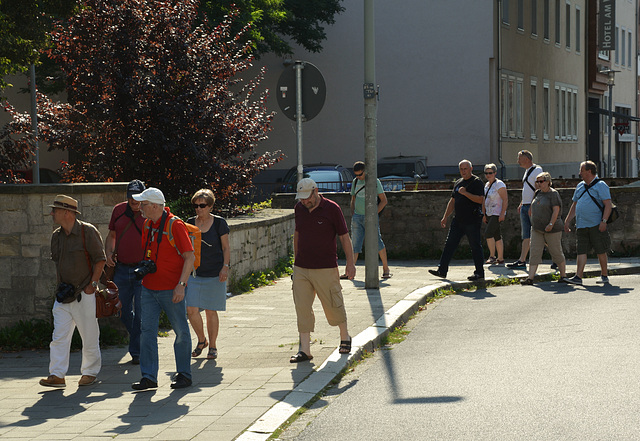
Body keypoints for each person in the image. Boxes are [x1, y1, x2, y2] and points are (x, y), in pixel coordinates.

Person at [130, 187, 195, 390]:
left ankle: (184, 374)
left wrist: (181, 286)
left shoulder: (175, 225)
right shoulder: (148, 224)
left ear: (155, 206)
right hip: (149, 288)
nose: (140, 207)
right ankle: (149, 377)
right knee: (147, 332)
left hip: (171, 289)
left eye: (144, 204)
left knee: (181, 331)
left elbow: (190, 257)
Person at [40, 195, 106, 388]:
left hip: (84, 294)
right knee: (58, 336)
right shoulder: (56, 236)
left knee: (89, 335)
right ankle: (57, 375)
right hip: (63, 295)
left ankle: (90, 372)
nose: (52, 213)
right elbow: (58, 264)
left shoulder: (88, 231)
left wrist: (91, 286)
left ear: (67, 213)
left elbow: (100, 260)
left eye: (55, 210)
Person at [290, 178, 356, 363]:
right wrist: (296, 261)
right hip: (302, 267)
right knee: (302, 307)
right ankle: (305, 350)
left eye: (307, 197)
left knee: (333, 304)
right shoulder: (299, 209)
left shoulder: (332, 208)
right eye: (301, 198)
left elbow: (344, 237)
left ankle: (345, 337)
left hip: (326, 267)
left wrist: (350, 264)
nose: (304, 201)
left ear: (316, 191)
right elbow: (297, 234)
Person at [104, 179, 146, 365]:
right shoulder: (118, 211)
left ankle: (136, 351)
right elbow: (112, 235)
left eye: (137, 198)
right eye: (131, 198)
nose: (134, 202)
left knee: (141, 311)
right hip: (122, 268)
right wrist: (108, 253)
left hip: (143, 270)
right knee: (121, 309)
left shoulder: (149, 211)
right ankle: (138, 342)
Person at [186, 189, 230, 360]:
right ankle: (201, 340)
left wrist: (225, 267)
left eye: (202, 205)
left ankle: (212, 346)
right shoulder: (189, 223)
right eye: (196, 205)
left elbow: (226, 247)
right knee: (191, 310)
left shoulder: (219, 223)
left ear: (210, 206)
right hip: (194, 273)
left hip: (214, 273)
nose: (198, 209)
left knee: (211, 311)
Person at [429, 160, 485, 281]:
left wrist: (465, 193)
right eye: (461, 169)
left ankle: (479, 273)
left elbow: (481, 200)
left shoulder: (477, 182)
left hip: (472, 220)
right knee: (449, 244)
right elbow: (452, 201)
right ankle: (442, 270)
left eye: (465, 169)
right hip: (458, 220)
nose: (463, 171)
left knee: (475, 246)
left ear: (471, 168)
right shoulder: (458, 182)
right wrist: (445, 217)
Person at [563, 161, 613, 285]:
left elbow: (608, 205)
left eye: (582, 170)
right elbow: (574, 205)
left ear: (589, 171)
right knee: (581, 251)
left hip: (596, 224)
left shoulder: (601, 185)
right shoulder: (580, 185)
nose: (580, 173)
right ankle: (578, 277)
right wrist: (567, 220)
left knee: (600, 250)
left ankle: (604, 275)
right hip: (581, 224)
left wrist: (604, 221)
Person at [341, 161, 391, 279]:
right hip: (357, 217)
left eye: (360, 174)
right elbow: (353, 198)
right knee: (355, 244)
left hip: (371, 218)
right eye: (356, 175)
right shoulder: (355, 182)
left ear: (366, 171)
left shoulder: (374, 181)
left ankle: (385, 269)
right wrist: (353, 212)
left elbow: (384, 200)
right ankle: (350, 271)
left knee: (377, 242)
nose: (358, 177)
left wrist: (373, 214)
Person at [520, 172, 570, 285]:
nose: (538, 184)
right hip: (537, 228)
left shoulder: (553, 194)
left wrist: (551, 224)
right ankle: (530, 278)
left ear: (548, 182)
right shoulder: (538, 193)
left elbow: (556, 211)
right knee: (534, 252)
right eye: (537, 181)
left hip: (552, 229)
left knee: (556, 251)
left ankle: (563, 275)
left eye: (541, 181)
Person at [507, 150, 543, 269]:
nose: (517, 160)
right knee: (526, 234)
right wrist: (522, 203)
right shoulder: (527, 171)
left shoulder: (537, 170)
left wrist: (532, 206)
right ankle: (522, 260)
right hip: (525, 205)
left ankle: (555, 258)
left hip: (532, 206)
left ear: (527, 159)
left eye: (519, 158)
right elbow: (528, 189)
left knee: (540, 233)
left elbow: (538, 189)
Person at [482, 163, 508, 265]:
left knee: (488, 233)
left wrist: (503, 213)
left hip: (496, 213)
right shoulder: (487, 185)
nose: (488, 175)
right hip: (489, 212)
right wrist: (484, 214)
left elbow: (505, 199)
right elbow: (484, 200)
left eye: (490, 173)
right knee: (497, 235)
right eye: (486, 173)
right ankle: (500, 258)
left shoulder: (499, 184)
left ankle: (492, 256)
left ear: (495, 173)